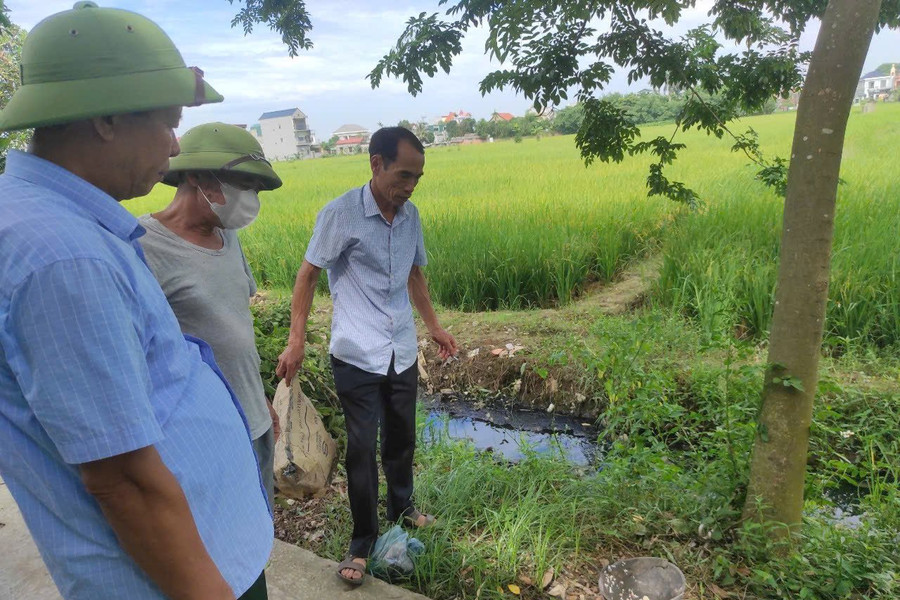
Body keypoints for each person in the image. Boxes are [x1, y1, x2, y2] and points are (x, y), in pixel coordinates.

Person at [0, 4, 272, 600]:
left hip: (202, 551)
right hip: (180, 578)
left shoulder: (61, 224)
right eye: (169, 121)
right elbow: (123, 480)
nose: (175, 144)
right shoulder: (64, 259)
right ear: (107, 118)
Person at [276, 126, 458, 585]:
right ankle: (362, 542)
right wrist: (296, 340)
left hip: (400, 346)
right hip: (356, 352)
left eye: (418, 176)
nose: (411, 185)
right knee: (362, 448)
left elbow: (416, 274)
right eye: (403, 174)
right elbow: (307, 275)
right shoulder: (341, 214)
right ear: (375, 164)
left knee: (401, 439)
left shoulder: (410, 215)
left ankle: (405, 507)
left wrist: (433, 327)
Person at [138, 122, 282, 509]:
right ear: (198, 178)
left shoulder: (227, 235)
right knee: (222, 546)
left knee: (258, 532)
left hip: (254, 420)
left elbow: (235, 327)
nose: (251, 197)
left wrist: (259, 398)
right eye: (243, 184)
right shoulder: (144, 247)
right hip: (204, 433)